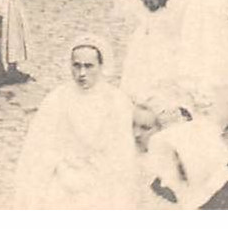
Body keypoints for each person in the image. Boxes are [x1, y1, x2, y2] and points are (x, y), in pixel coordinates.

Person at [12, 35, 139, 208]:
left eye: (89, 66)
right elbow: (40, 145)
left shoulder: (116, 101)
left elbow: (123, 152)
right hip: (63, 176)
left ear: (102, 66)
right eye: (76, 65)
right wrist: (63, 170)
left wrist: (96, 174)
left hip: (103, 178)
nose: (82, 73)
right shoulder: (57, 99)